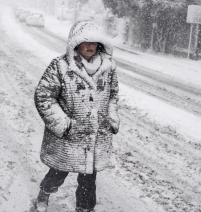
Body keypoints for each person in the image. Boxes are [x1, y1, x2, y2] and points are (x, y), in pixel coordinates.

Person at [33, 20, 120, 212]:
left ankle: (84, 208)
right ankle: (44, 194)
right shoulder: (60, 66)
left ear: (100, 44)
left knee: (89, 179)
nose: (90, 46)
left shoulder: (109, 67)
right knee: (57, 173)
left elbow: (113, 95)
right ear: (76, 43)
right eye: (85, 42)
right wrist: (64, 125)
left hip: (96, 136)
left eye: (94, 42)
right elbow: (44, 97)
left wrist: (112, 118)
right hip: (68, 138)